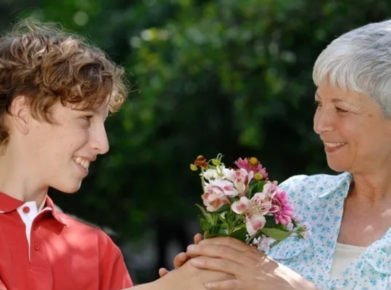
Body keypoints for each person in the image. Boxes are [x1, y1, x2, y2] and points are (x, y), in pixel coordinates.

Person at [172, 19, 391, 289]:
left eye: (341, 109)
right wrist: (205, 272)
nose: (320, 124)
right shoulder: (294, 198)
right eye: (320, 103)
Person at [0, 18, 230, 290]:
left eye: (103, 122)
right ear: (24, 113)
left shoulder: (97, 249)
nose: (103, 144)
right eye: (85, 118)